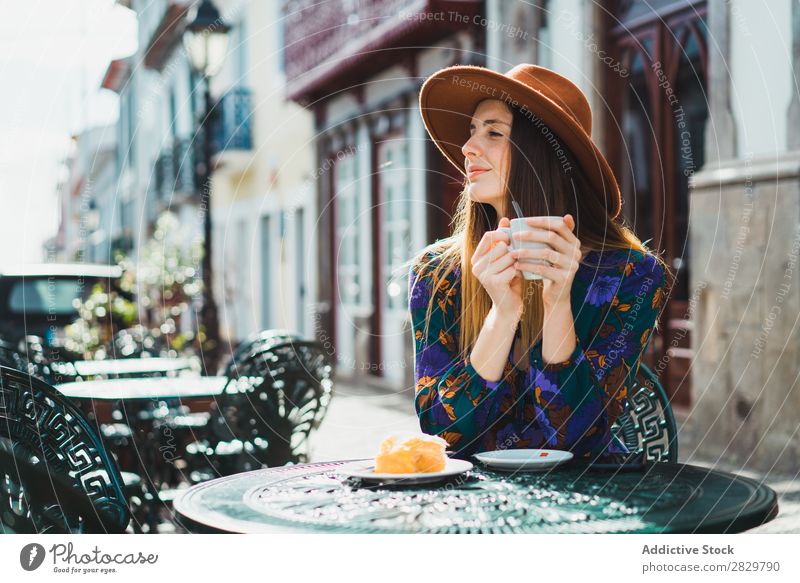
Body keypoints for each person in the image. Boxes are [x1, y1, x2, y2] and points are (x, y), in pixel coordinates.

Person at [408, 63, 675, 459]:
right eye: (472, 131)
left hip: (592, 504)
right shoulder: (436, 273)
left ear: (543, 157)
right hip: (472, 505)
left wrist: (556, 303)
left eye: (494, 132)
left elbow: (572, 437)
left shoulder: (630, 276)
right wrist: (503, 313)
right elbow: (444, 432)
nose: (467, 148)